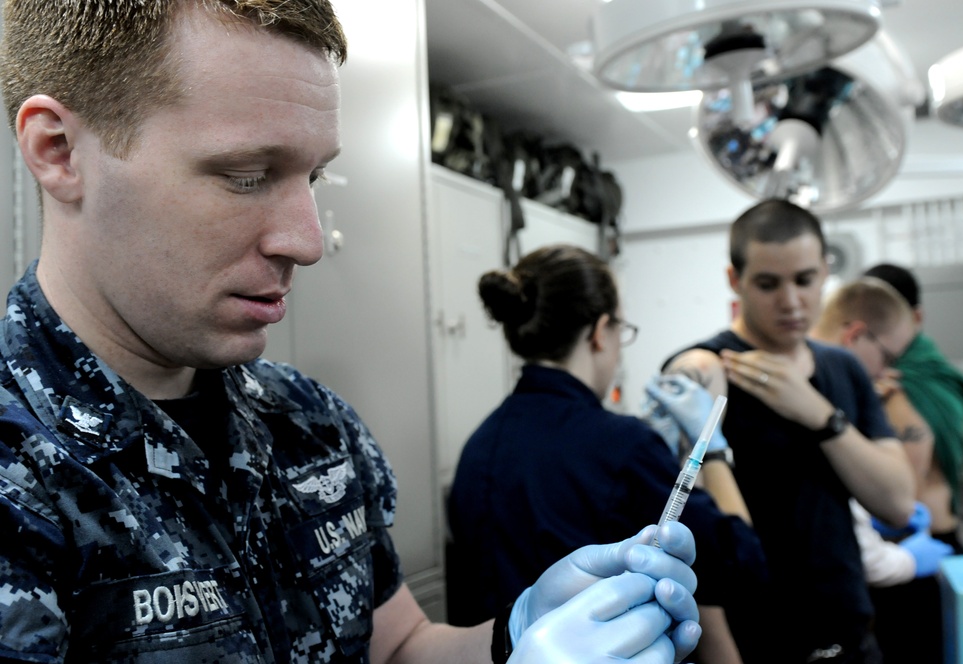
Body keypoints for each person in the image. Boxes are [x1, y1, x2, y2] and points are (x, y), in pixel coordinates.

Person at [0, 2, 704, 662]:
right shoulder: (18, 477)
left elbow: (397, 646)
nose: (308, 241)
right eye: (248, 175)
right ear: (59, 151)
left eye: (316, 177)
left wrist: (516, 635)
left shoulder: (305, 422)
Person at [447, 245, 768, 663]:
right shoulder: (624, 446)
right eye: (622, 330)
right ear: (601, 331)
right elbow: (744, 565)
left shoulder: (479, 444)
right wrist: (715, 451)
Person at [662, 198, 916, 663]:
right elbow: (692, 375)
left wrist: (820, 415)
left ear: (824, 271)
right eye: (767, 284)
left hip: (849, 632)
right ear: (734, 281)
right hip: (754, 639)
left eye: (804, 280)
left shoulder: (844, 369)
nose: (791, 301)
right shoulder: (717, 364)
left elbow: (898, 503)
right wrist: (693, 370)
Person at [811, 277, 954, 663]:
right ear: (857, 335)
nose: (890, 371)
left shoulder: (826, 386)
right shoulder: (821, 398)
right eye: (889, 358)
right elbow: (854, 546)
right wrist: (906, 559)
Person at [862, 263, 963, 554]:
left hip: (928, 541)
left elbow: (906, 479)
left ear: (916, 317)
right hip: (891, 546)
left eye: (885, 318)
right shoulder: (871, 376)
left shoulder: (917, 380)